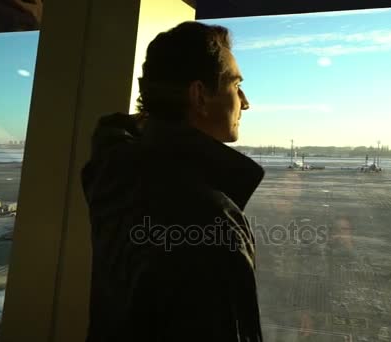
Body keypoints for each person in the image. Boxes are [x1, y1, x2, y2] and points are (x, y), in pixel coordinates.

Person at [81, 21, 265, 341]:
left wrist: (157, 112)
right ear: (199, 96)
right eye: (235, 86)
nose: (245, 102)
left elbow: (115, 132)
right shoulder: (211, 221)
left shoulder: (113, 172)